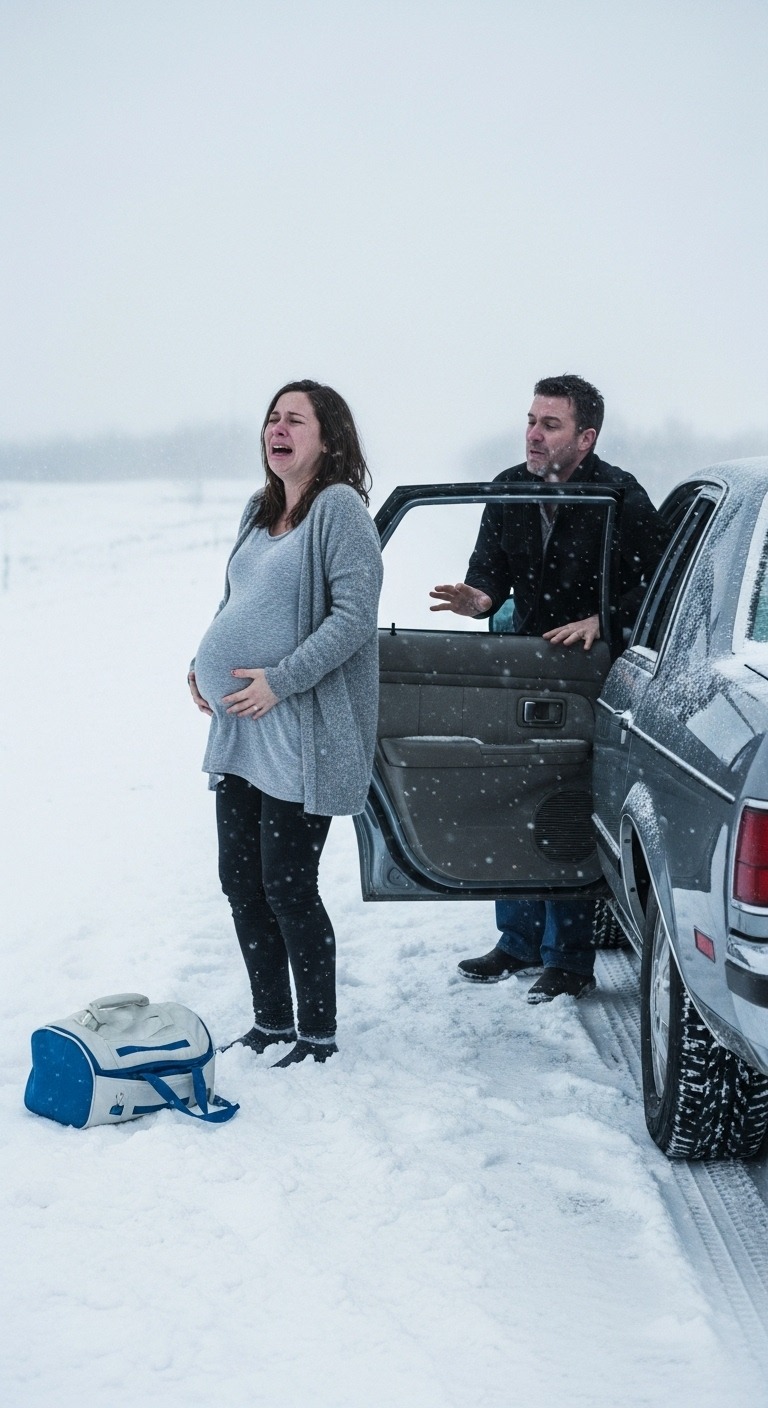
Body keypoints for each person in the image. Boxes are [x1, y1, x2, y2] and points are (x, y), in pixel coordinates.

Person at [430, 374, 668, 1003]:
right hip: (524, 664)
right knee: (513, 789)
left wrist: (603, 621)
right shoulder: (509, 488)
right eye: (531, 421)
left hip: (591, 673)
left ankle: (568, 956)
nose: (534, 434)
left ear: (586, 437)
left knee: (565, 803)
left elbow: (660, 586)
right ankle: (517, 941)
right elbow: (491, 578)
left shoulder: (621, 495)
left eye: (551, 424)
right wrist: (477, 598)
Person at [189, 380, 383, 1065]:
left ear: (327, 438)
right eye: (273, 418)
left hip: (303, 730)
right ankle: (270, 1021)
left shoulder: (340, 511)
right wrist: (200, 664)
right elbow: (232, 602)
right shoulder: (257, 509)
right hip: (243, 731)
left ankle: (318, 1034)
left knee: (288, 885)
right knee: (240, 881)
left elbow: (354, 621)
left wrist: (280, 681)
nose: (278, 428)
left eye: (294, 419)